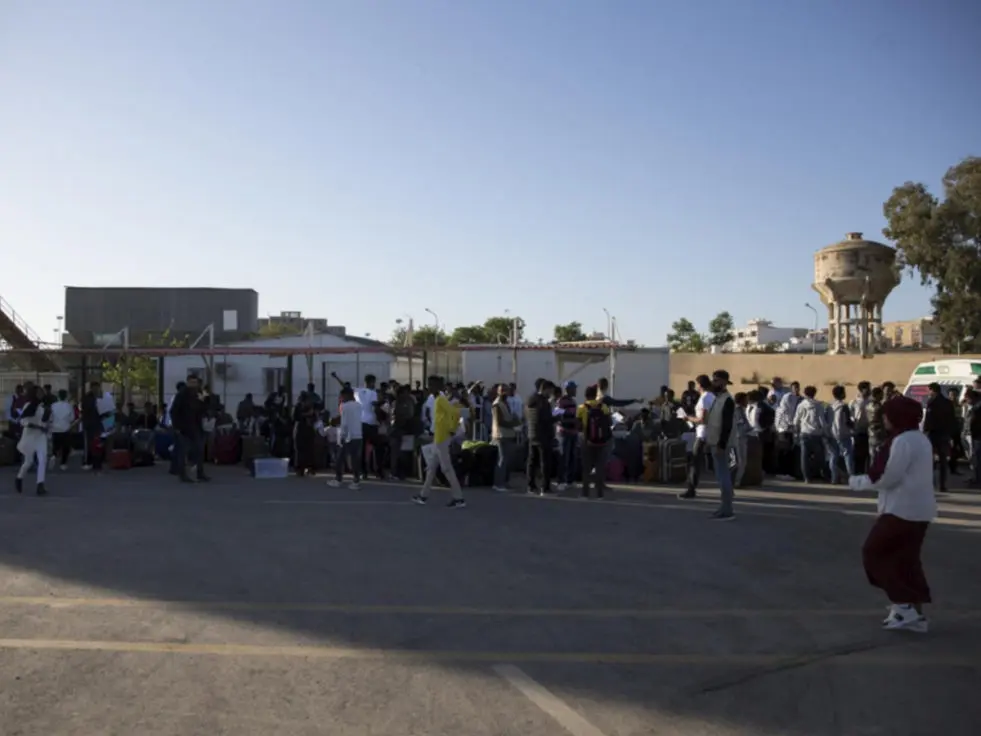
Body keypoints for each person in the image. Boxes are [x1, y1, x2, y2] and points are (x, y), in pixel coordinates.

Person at [852, 395, 936, 632]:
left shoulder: (902, 442)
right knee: (905, 560)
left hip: (902, 510)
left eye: (887, 414)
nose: (884, 419)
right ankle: (912, 613)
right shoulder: (919, 438)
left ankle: (903, 606)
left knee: (874, 553)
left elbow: (889, 476)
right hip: (919, 509)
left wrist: (860, 482)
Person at [413, 376, 466, 508]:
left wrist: (452, 429)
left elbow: (454, 412)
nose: (429, 387)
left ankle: (458, 498)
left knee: (446, 468)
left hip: (442, 438)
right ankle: (423, 495)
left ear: (438, 386)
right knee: (431, 468)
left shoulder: (441, 400)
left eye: (431, 385)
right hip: (438, 436)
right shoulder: (438, 399)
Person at [705, 370, 737, 520]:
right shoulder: (718, 399)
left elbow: (727, 425)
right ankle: (723, 507)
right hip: (714, 442)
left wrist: (721, 444)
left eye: (716, 380)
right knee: (720, 476)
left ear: (724, 382)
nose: (714, 383)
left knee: (724, 476)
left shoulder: (727, 401)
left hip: (721, 444)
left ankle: (727, 510)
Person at [678, 374, 714, 500]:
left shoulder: (704, 399)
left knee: (694, 461)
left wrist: (688, 418)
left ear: (700, 385)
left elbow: (702, 419)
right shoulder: (712, 397)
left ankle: (691, 489)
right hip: (710, 432)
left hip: (702, 433)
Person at [170, 376, 210, 484]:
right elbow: (174, 411)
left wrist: (204, 400)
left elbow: (204, 408)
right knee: (183, 452)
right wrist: (177, 427)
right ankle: (183, 474)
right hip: (184, 428)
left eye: (195, 382)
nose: (193, 384)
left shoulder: (199, 394)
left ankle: (199, 472)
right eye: (191, 382)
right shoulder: (181, 395)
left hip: (196, 427)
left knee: (199, 451)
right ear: (187, 383)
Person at [577, 384, 613, 499]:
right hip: (602, 442)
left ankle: (585, 493)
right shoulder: (604, 407)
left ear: (586, 395)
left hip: (586, 441)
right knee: (599, 467)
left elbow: (578, 426)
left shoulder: (581, 408)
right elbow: (609, 423)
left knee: (586, 468)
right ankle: (599, 494)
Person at [15, 384, 50, 496]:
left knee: (42, 459)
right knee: (28, 462)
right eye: (38, 392)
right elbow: (23, 421)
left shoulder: (43, 407)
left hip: (40, 437)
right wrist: (35, 426)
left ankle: (40, 484)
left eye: (41, 392)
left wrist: (45, 425)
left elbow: (45, 423)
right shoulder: (28, 406)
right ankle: (19, 477)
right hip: (29, 436)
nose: (40, 394)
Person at [524, 378, 557, 495]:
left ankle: (530, 486)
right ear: (545, 389)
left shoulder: (530, 400)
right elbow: (545, 419)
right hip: (543, 435)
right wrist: (557, 418)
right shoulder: (544, 402)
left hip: (532, 433)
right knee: (545, 462)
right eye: (550, 391)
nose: (550, 394)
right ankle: (545, 487)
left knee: (532, 461)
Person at [923, 382, 957, 493]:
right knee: (943, 461)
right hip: (944, 434)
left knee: (930, 461)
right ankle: (942, 484)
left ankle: (930, 484)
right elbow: (952, 419)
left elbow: (928, 419)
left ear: (933, 390)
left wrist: (925, 431)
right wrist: (951, 433)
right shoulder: (948, 402)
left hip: (933, 434)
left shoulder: (932, 402)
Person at [328, 387, 363, 489]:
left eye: (342, 396)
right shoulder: (359, 406)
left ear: (346, 395)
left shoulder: (344, 406)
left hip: (346, 435)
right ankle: (356, 481)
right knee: (355, 459)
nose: (341, 398)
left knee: (340, 458)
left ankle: (338, 479)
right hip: (357, 435)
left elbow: (344, 422)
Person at [491, 383, 520, 492]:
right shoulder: (497, 404)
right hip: (501, 435)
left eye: (506, 390)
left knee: (507, 460)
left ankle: (504, 481)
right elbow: (500, 421)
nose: (505, 393)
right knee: (501, 460)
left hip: (508, 434)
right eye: (503, 390)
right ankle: (498, 483)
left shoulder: (505, 403)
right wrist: (514, 423)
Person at [794, 386, 825, 484]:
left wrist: (796, 433)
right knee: (820, 457)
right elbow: (822, 421)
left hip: (804, 433)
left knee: (804, 457)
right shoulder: (818, 405)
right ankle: (819, 474)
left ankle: (807, 478)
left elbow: (796, 420)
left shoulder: (801, 405)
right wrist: (825, 431)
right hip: (816, 434)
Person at [555, 381, 580, 491]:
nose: (575, 390)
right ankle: (560, 481)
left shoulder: (573, 401)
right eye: (573, 388)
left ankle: (570, 480)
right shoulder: (561, 401)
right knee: (564, 457)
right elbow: (558, 416)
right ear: (568, 389)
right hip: (564, 432)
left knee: (572, 457)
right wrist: (572, 420)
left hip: (573, 432)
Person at [49, 389, 75, 471]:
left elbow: (50, 417)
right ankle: (63, 463)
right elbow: (72, 418)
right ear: (66, 396)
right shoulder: (69, 406)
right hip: (65, 429)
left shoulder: (53, 405)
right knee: (65, 447)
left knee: (55, 445)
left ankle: (53, 455)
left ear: (58, 396)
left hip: (55, 429)